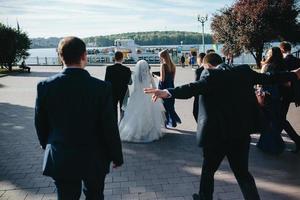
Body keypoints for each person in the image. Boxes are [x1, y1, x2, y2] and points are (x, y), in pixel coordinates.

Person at [145, 53, 300, 200]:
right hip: (240, 134)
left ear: (208, 66)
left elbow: (191, 88)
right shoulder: (244, 72)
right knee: (242, 173)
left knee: (208, 171)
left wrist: (167, 92)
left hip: (216, 135)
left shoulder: (211, 76)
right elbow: (269, 78)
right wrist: (293, 74)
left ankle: (205, 197)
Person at [34, 37, 123, 200]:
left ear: (61, 57)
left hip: (61, 154)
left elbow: (40, 122)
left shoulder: (45, 86)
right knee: (95, 196)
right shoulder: (101, 88)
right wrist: (116, 155)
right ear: (84, 55)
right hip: (94, 157)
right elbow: (109, 126)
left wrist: (46, 143)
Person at [119, 60, 165, 142]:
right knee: (149, 114)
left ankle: (136, 132)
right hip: (148, 95)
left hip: (137, 95)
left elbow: (135, 88)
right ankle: (146, 131)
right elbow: (154, 87)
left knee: (135, 114)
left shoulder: (135, 76)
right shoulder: (149, 75)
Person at [256, 47, 286, 154]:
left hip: (266, 95)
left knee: (267, 121)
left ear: (270, 55)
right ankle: (275, 144)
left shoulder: (267, 66)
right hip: (276, 95)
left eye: (268, 53)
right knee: (274, 120)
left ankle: (269, 145)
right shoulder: (281, 66)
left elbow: (260, 82)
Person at [279, 41, 300, 153]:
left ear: (282, 50)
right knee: (280, 117)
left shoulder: (283, 62)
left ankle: (297, 140)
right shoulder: (298, 61)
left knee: (281, 118)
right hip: (294, 93)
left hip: (284, 94)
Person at [156, 49, 181, 128]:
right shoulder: (173, 65)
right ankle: (173, 122)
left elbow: (162, 79)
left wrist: (156, 76)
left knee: (164, 105)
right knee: (170, 105)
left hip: (163, 87)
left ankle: (166, 122)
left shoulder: (163, 65)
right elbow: (173, 79)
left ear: (162, 57)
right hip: (170, 86)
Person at [105, 51, 132, 120]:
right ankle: (122, 124)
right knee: (123, 109)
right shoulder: (127, 69)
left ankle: (115, 124)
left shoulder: (109, 68)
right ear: (122, 58)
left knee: (113, 109)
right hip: (124, 92)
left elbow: (106, 81)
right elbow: (130, 82)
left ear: (115, 58)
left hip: (112, 91)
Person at [193, 52, 206, 121]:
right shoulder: (209, 69)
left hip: (199, 95)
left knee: (196, 112)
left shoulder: (198, 70)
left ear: (200, 59)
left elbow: (196, 83)